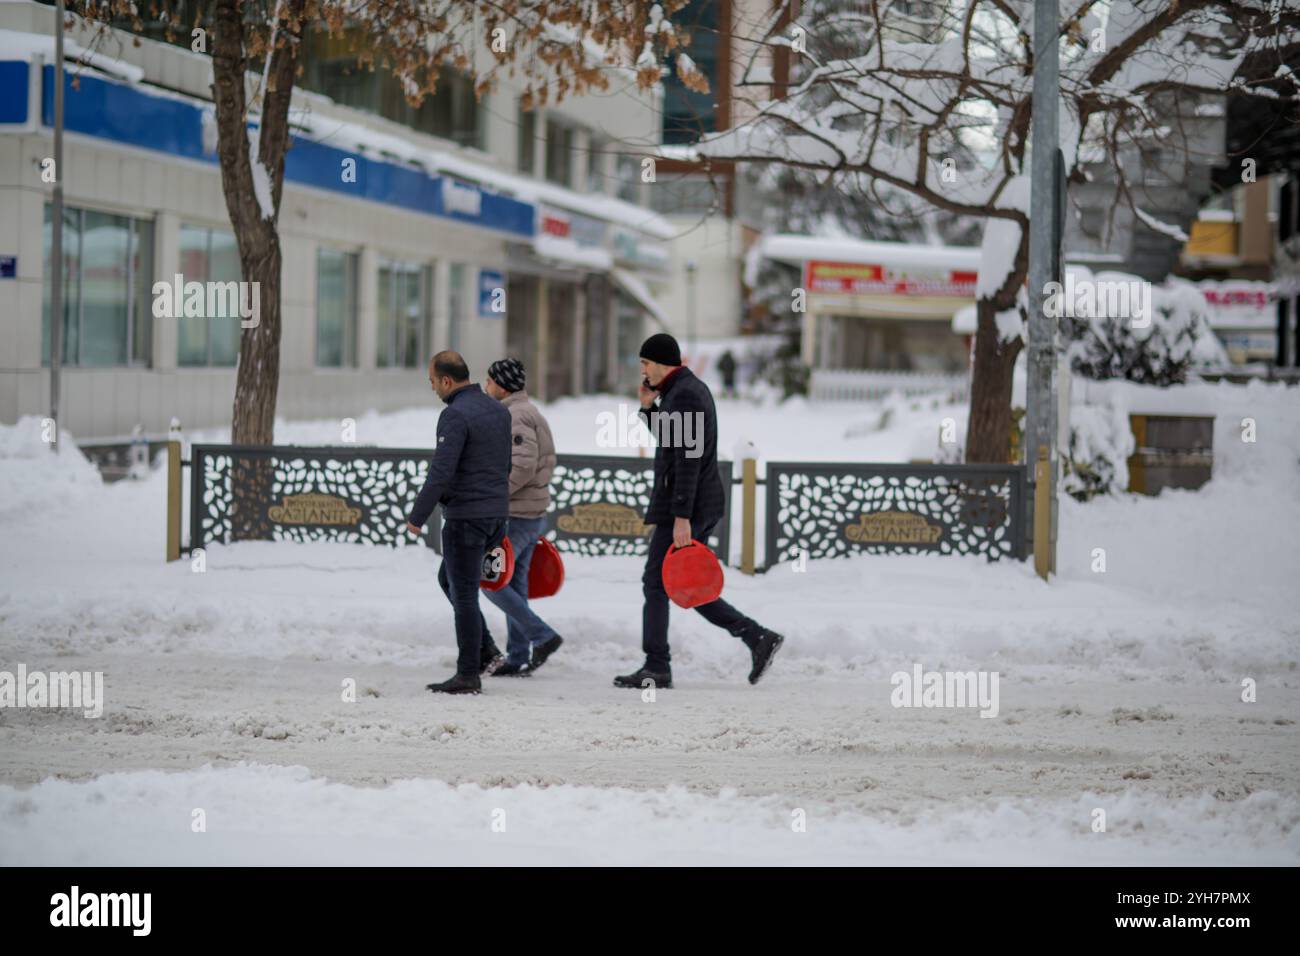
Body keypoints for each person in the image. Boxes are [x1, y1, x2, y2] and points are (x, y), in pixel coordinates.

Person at [614, 333, 784, 690]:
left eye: (645, 363)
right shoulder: (679, 392)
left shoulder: (687, 395)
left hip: (688, 505)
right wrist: (649, 409)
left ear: (662, 363)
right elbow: (674, 440)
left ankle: (658, 665)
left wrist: (681, 516)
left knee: (658, 583)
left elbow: (688, 459)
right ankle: (756, 637)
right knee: (683, 583)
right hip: (689, 503)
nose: (642, 370)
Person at [407, 351, 512, 695]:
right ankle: (487, 650)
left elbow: (441, 472)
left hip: (467, 518)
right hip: (495, 515)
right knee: (449, 580)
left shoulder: (454, 415)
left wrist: (417, 517)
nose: (433, 388)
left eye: (433, 382)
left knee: (464, 594)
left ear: (447, 381)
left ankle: (468, 674)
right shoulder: (498, 411)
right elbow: (504, 466)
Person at [481, 358, 564, 676]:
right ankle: (518, 656)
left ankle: (542, 636)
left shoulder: (515, 415)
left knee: (490, 581)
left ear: (501, 385)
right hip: (531, 512)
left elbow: (524, 464)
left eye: (489, 381)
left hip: (517, 514)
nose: (486, 387)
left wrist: (495, 494)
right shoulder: (527, 412)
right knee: (513, 585)